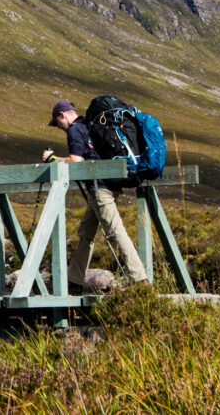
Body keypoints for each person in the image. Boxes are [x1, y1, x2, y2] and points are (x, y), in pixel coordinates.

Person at [44, 100, 149, 294]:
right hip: (109, 183)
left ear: (62, 116)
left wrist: (53, 159)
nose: (59, 127)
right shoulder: (89, 124)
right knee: (86, 232)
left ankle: (139, 278)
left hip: (98, 188)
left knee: (114, 231)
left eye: (58, 123)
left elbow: (76, 161)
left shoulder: (75, 130)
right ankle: (74, 280)